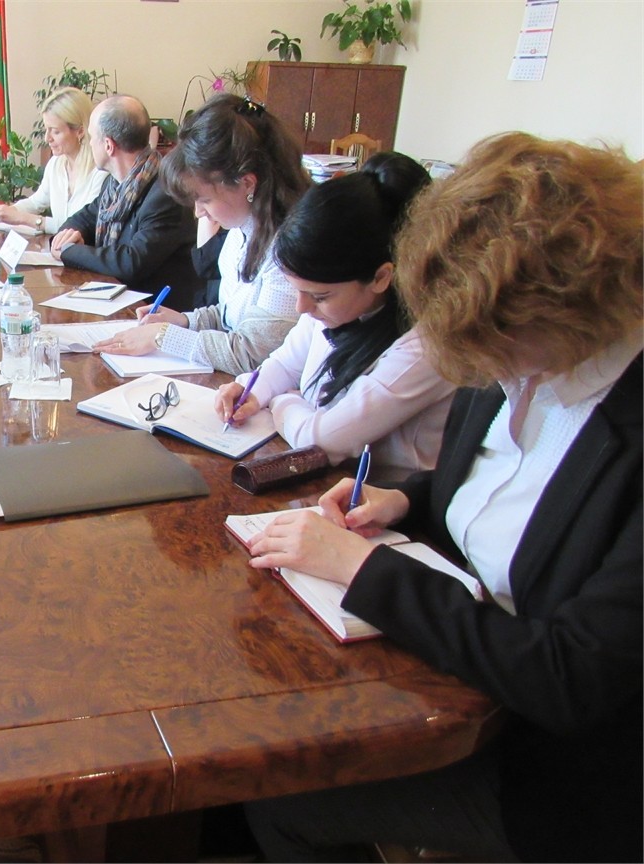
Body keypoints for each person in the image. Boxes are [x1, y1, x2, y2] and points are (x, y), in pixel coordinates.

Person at [242, 133, 642, 863]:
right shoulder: (513, 361)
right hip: (461, 681)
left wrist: (364, 569)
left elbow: (571, 678)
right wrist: (407, 502)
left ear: (564, 315)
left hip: (562, 772)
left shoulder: (614, 422)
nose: (483, 370)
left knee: (284, 792)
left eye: (498, 349)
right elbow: (512, 495)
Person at [213, 152, 452, 479]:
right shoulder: (336, 310)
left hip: (377, 499)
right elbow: (285, 363)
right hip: (328, 482)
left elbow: (320, 441)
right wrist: (251, 390)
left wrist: (282, 401)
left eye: (319, 296)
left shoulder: (423, 349)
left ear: (381, 278)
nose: (301, 308)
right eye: (298, 290)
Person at [92, 94, 309, 374]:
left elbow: (253, 353)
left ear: (247, 183)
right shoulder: (242, 228)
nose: (198, 212)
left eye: (204, 200)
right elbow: (231, 316)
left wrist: (164, 337)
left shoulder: (287, 251)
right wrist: (185, 321)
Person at [50, 94, 202, 311]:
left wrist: (68, 250)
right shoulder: (114, 185)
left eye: (91, 137)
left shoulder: (165, 193)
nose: (88, 143)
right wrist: (67, 238)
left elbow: (130, 263)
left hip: (155, 314)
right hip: (117, 302)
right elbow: (82, 219)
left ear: (108, 145)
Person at [0, 87, 107, 235]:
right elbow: (36, 202)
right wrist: (5, 211)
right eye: (46, 130)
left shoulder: (101, 172)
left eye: (55, 131)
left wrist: (25, 219)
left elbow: (82, 228)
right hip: (57, 247)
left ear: (80, 131)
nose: (47, 138)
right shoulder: (56, 164)